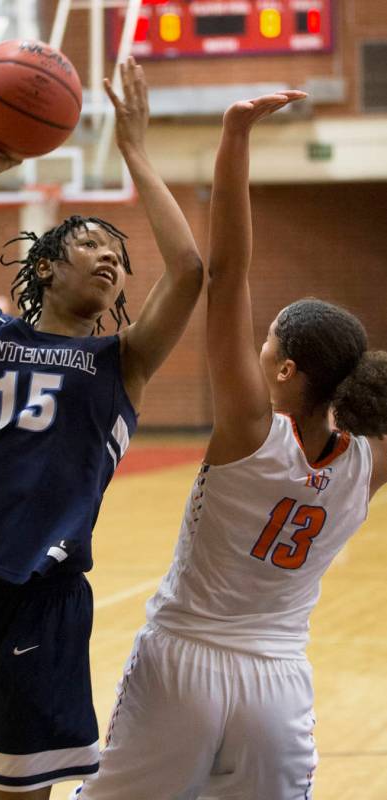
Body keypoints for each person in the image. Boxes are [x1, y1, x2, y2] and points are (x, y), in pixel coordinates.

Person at [0, 57, 203, 800]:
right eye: (93, 245)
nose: (112, 261)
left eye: (120, 260)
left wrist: (136, 153)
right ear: (47, 267)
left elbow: (186, 269)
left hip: (38, 606)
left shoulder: (123, 361)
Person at [70, 91, 387, 800]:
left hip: (182, 664)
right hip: (275, 684)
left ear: (283, 370)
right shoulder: (369, 462)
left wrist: (234, 135)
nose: (259, 339)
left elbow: (226, 275)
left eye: (269, 336)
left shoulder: (250, 430)